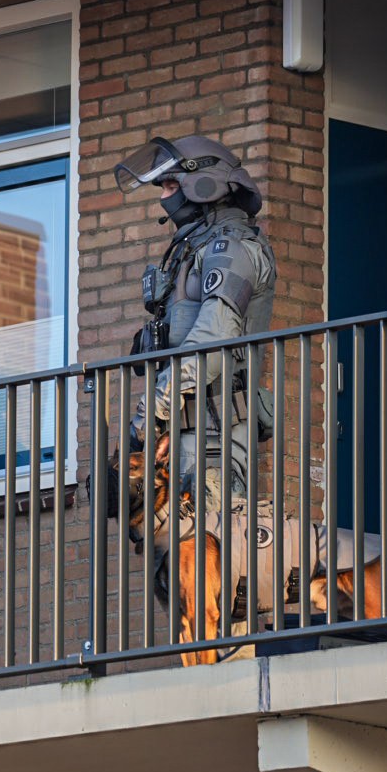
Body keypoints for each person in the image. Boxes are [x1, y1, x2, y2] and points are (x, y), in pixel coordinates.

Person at [114, 134, 277, 511]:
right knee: (167, 545)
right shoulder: (191, 252)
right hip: (180, 435)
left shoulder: (232, 247)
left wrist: (154, 408)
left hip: (214, 440)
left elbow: (213, 339)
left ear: (204, 185)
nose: (163, 197)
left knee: (207, 541)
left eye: (171, 186)